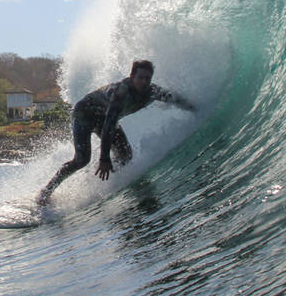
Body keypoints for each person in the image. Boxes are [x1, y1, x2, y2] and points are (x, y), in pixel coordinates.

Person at [37, 59, 194, 205]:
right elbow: (109, 127)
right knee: (81, 159)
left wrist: (196, 109)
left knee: (126, 155)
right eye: (140, 78)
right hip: (84, 114)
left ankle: (106, 183)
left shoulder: (152, 91)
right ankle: (46, 192)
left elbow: (175, 99)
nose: (144, 82)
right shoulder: (121, 94)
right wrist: (104, 157)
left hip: (103, 117)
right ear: (132, 76)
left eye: (148, 78)